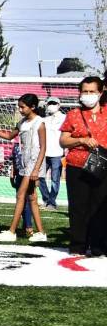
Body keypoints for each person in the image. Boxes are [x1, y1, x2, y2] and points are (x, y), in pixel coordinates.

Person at [0, 94, 47, 242]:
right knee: (32, 197)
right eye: (19, 107)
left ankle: (12, 231)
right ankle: (41, 233)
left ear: (32, 107)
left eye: (23, 107)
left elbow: (43, 148)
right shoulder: (22, 122)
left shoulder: (40, 123)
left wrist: (36, 169)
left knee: (21, 195)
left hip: (34, 163)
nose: (20, 109)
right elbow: (9, 136)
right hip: (25, 162)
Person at [59, 76, 107, 256]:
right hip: (77, 166)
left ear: (100, 93)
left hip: (102, 167)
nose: (87, 95)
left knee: (100, 207)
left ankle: (98, 246)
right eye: (84, 91)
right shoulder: (73, 114)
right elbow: (63, 140)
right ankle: (78, 245)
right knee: (78, 207)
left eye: (92, 91)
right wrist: (81, 140)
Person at [39, 96, 66, 209]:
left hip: (58, 153)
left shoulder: (65, 118)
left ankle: (52, 202)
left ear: (59, 105)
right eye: (50, 103)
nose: (51, 105)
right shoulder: (44, 119)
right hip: (44, 153)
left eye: (54, 103)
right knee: (40, 177)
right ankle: (46, 199)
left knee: (55, 180)